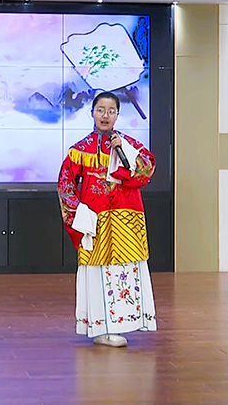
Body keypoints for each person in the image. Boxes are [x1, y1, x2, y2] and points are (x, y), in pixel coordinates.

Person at [57, 91, 158, 347]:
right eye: (100, 110)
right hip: (96, 221)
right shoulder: (79, 151)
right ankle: (101, 327)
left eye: (111, 111)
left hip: (126, 219)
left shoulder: (129, 146)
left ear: (117, 115)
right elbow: (65, 184)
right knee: (97, 272)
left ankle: (128, 323)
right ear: (92, 113)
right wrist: (79, 212)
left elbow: (147, 169)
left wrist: (124, 152)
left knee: (126, 270)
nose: (105, 115)